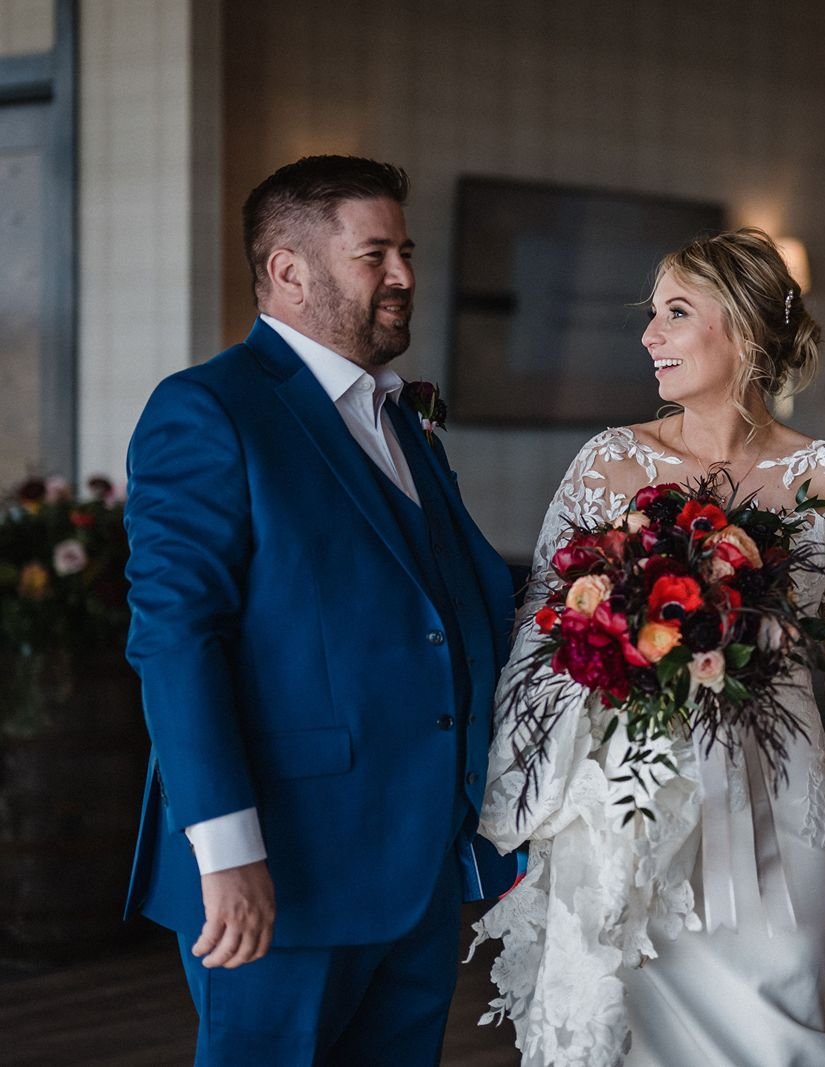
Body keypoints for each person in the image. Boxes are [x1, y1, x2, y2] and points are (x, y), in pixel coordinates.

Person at [475, 228, 825, 1065]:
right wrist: (537, 816)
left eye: (676, 313)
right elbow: (540, 650)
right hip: (626, 821)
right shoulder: (608, 464)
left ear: (743, 331)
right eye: (652, 315)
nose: (649, 337)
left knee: (780, 1040)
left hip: (780, 820)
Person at [122, 155, 515, 1065]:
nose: (406, 276)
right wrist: (226, 850)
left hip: (418, 862)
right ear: (290, 271)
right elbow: (177, 638)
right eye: (375, 254)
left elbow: (450, 600)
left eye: (406, 251)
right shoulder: (208, 410)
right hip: (282, 866)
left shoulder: (400, 419)